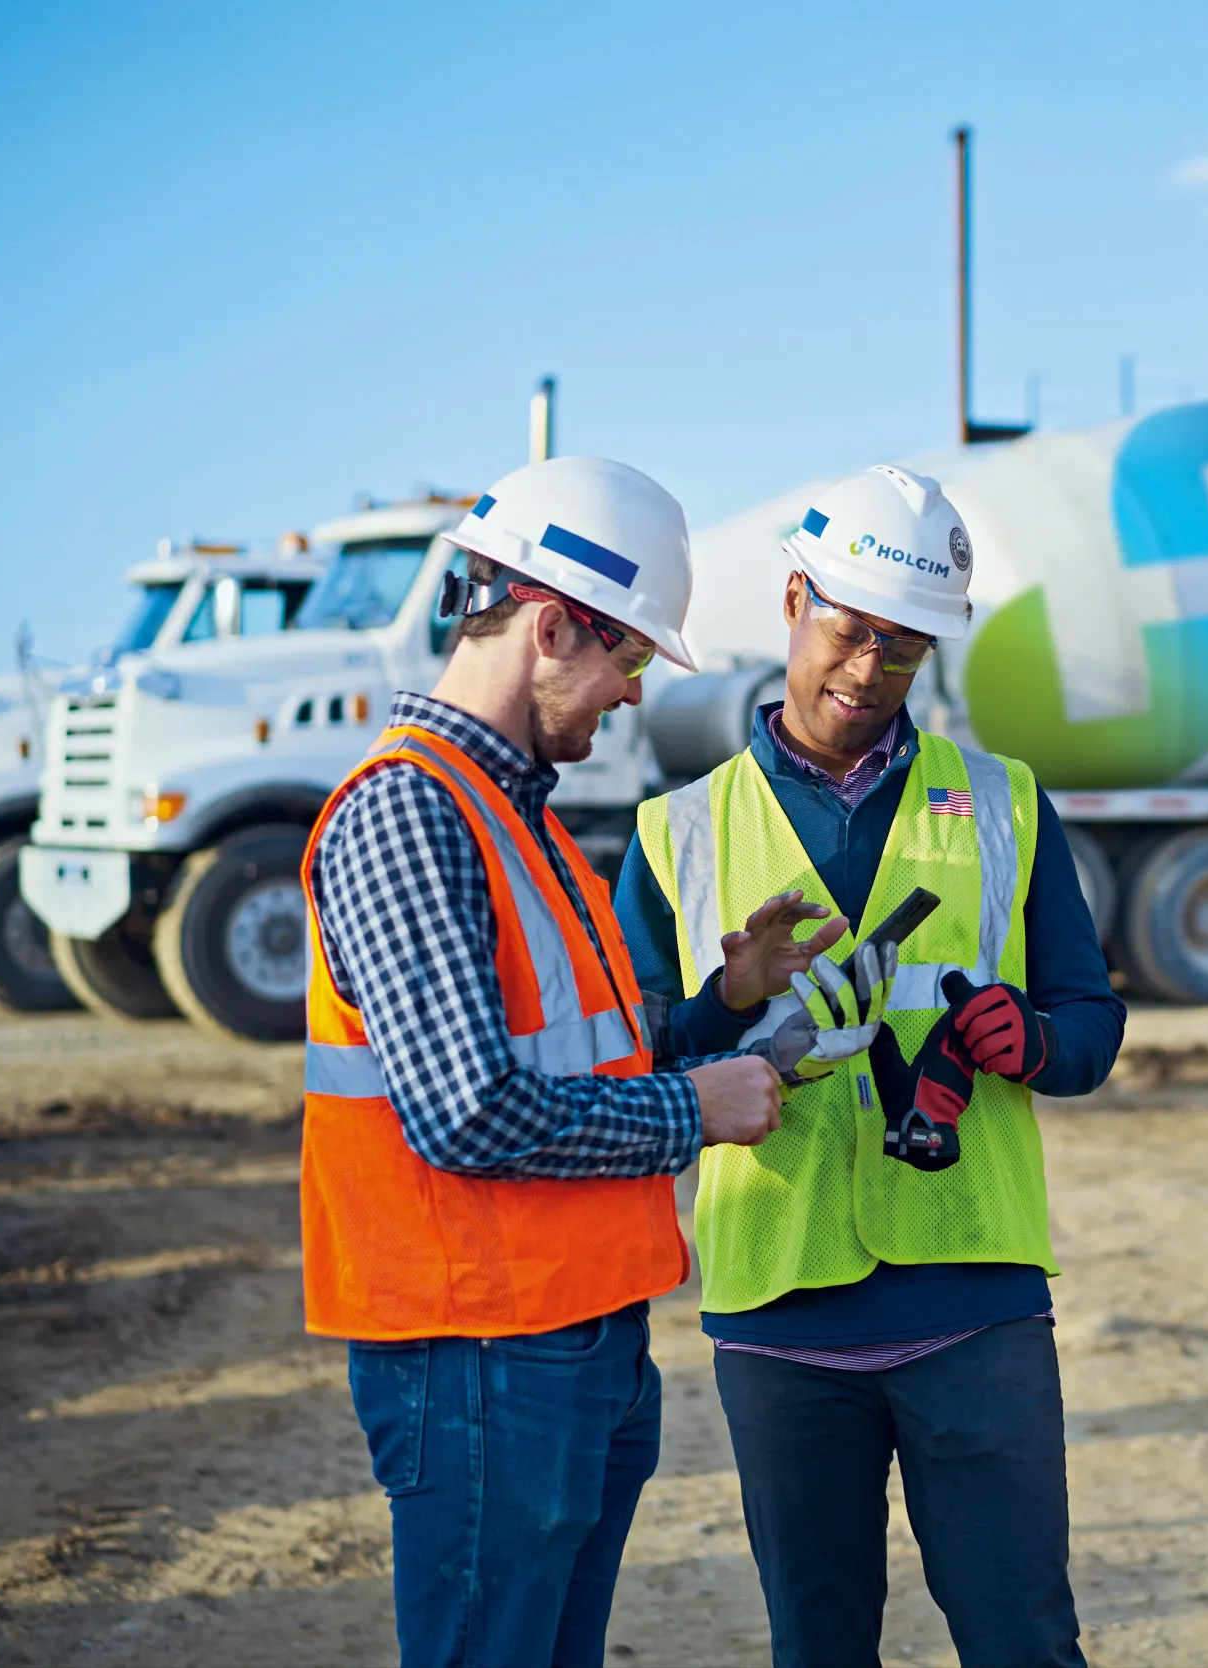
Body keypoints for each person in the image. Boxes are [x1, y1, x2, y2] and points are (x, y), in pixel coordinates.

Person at [298, 455, 887, 1668]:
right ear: (552, 624)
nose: (628, 695)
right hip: (480, 1356)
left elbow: (592, 1060)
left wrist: (728, 1002)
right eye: (625, 658)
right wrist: (694, 1114)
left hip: (567, 1341)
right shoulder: (412, 812)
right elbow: (466, 1114)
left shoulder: (514, 812)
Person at [616, 464, 1126, 1668]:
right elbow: (629, 1058)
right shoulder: (674, 832)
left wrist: (1039, 1041)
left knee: (1024, 1641)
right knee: (820, 1643)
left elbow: (1090, 1026)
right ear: (794, 600)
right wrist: (723, 1001)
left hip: (973, 1298)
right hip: (778, 1304)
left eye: (901, 652)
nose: (865, 673)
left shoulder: (1004, 805)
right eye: (847, 634)